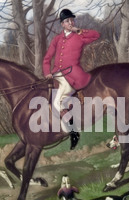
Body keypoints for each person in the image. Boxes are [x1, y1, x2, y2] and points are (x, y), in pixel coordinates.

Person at [43, 9, 100, 149]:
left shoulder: (79, 36)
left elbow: (96, 35)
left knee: (57, 103)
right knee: (48, 99)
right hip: (57, 75)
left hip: (72, 76)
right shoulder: (57, 39)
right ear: (62, 24)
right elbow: (47, 58)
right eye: (67, 21)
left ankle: (74, 131)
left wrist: (79, 30)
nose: (70, 23)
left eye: (72, 20)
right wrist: (47, 72)